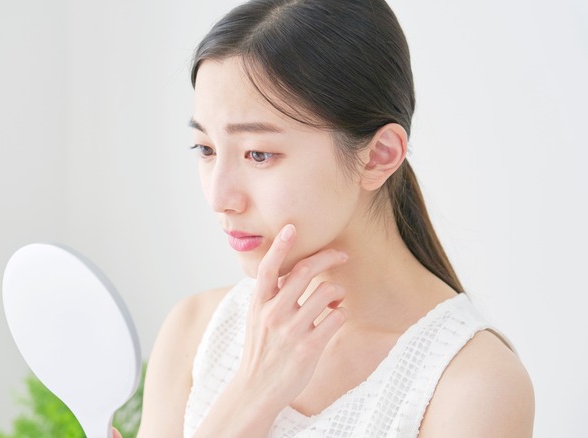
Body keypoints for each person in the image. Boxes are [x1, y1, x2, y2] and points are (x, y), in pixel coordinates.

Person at [132, 0, 535, 436]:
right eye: (206, 149)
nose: (219, 198)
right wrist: (249, 393)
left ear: (379, 156)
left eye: (258, 154)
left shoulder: (471, 385)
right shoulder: (194, 330)